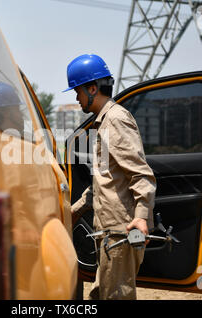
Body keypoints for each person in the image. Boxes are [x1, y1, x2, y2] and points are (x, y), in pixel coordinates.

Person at [64, 54, 156, 300]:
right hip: (108, 234)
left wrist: (141, 217)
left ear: (92, 88)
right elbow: (101, 183)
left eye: (78, 91)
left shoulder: (116, 120)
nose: (77, 98)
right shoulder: (102, 123)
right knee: (99, 295)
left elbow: (140, 173)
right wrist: (74, 212)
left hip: (121, 232)